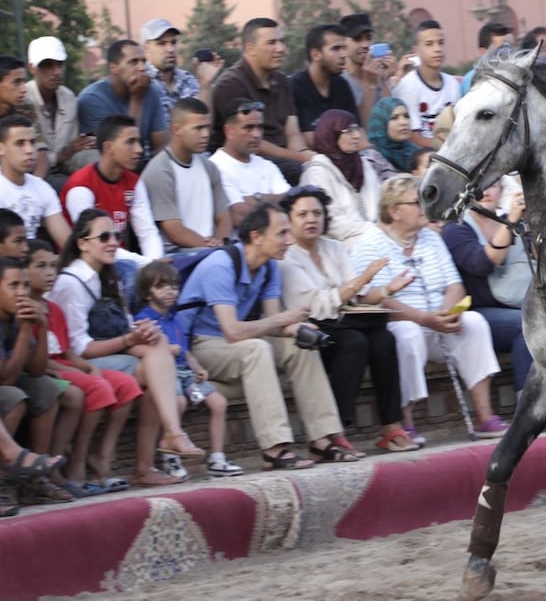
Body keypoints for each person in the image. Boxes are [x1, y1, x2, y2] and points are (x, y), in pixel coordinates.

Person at [175, 202, 357, 470]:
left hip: (235, 339)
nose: (288, 240)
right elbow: (234, 331)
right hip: (202, 345)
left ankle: (322, 438)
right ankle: (274, 448)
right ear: (257, 237)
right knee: (256, 349)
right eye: (282, 233)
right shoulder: (220, 266)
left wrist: (298, 328)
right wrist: (284, 319)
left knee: (300, 345)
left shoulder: (269, 266)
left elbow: (273, 324)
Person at [351, 175, 508, 441]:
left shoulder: (431, 239)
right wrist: (424, 318)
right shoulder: (369, 243)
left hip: (438, 320)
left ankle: (484, 417)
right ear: (394, 211)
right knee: (406, 335)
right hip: (404, 322)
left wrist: (448, 313)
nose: (425, 206)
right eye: (416, 202)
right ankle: (405, 422)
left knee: (474, 323)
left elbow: (455, 285)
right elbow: (375, 301)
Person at [49, 209, 199, 486]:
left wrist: (140, 332)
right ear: (82, 243)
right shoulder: (71, 282)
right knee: (156, 366)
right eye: (103, 236)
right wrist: (128, 341)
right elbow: (78, 348)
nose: (112, 242)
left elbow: (125, 324)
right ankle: (163, 443)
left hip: (112, 352)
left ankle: (165, 441)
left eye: (116, 236)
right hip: (80, 361)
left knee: (158, 343)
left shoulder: (110, 276)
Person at [278, 186, 417, 451]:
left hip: (344, 319)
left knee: (384, 339)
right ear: (289, 220)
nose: (311, 220)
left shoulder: (334, 247)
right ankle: (334, 431)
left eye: (317, 213)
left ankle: (391, 425)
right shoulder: (286, 257)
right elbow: (315, 305)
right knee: (354, 342)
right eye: (303, 214)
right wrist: (363, 278)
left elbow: (356, 297)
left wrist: (387, 289)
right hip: (311, 328)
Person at [441, 179, 546, 432]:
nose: (484, 191)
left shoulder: (513, 218)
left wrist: (535, 222)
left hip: (521, 303)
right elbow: (481, 265)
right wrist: (510, 223)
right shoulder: (455, 229)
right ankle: (530, 410)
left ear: (501, 190)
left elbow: (543, 259)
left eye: (492, 184)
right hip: (479, 313)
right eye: (477, 186)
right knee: (524, 326)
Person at [28, 239, 139, 495]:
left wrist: (88, 368)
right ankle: (69, 464)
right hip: (48, 367)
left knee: (126, 385)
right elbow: (38, 359)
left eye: (53, 266)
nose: (49, 273)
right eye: (41, 266)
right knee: (97, 388)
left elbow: (68, 351)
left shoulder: (53, 309)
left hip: (65, 363)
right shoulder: (26, 309)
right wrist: (80, 373)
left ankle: (100, 456)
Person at [133, 262, 243, 478]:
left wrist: (198, 367)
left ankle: (217, 458)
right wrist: (165, 350)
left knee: (219, 402)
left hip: (185, 372)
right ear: (147, 292)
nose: (169, 291)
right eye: (161, 286)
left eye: (173, 286)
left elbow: (186, 351)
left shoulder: (174, 319)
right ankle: (170, 457)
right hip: (167, 373)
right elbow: (140, 349)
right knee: (179, 402)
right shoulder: (143, 320)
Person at [0, 255, 77, 505]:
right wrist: (25, 330)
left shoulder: (15, 317)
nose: (22, 293)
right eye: (13, 286)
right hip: (5, 387)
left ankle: (35, 477)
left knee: (46, 388)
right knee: (14, 398)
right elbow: (7, 380)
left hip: (9, 382)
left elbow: (36, 369)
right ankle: (4, 479)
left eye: (24, 285)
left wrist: (40, 327)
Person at [210, 18, 312, 184]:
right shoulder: (231, 85)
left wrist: (308, 155)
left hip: (285, 158)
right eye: (271, 43)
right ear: (250, 48)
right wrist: (301, 158)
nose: (280, 49)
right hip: (247, 159)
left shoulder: (283, 81)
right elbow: (253, 141)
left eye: (282, 42)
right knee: (298, 170)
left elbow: (292, 132)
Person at [60, 114, 161, 261]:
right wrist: (146, 263)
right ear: (109, 147)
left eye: (138, 142)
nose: (139, 149)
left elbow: (147, 231)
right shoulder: (81, 186)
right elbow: (95, 244)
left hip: (121, 261)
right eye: (130, 142)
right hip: (85, 264)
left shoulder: (134, 182)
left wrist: (155, 261)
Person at [141, 98, 231, 254]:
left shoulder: (209, 167)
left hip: (210, 251)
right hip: (177, 256)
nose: (205, 134)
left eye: (207, 127)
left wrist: (220, 246)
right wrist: (213, 250)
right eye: (198, 128)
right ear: (176, 130)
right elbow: (174, 231)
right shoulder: (159, 171)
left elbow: (224, 218)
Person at [77, 40, 169, 162]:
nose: (142, 68)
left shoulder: (150, 90)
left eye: (143, 61)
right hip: (112, 167)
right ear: (113, 68)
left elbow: (162, 145)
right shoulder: (92, 98)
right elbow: (119, 152)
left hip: (144, 163)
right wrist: (137, 99)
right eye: (133, 62)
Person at [299, 109, 380, 243]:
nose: (356, 136)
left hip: (375, 235)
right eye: (348, 131)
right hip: (340, 243)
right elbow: (331, 221)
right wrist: (372, 232)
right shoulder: (317, 172)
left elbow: (380, 201)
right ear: (331, 134)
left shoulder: (363, 164)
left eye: (356, 129)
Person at [208, 99, 290, 228]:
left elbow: (291, 203)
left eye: (260, 127)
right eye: (248, 128)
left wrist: (256, 198)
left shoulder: (267, 165)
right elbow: (240, 217)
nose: (257, 134)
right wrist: (274, 200)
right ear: (229, 131)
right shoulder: (215, 167)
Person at [25, 37, 95, 181]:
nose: (56, 72)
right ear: (32, 68)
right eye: (47, 65)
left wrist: (83, 144)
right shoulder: (24, 98)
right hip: (32, 171)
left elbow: (72, 149)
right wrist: (61, 155)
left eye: (59, 65)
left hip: (66, 164)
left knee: (98, 162)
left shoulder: (69, 97)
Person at [0, 114, 70, 249]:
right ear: (1, 148)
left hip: (34, 261)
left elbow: (66, 241)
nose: (29, 150)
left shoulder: (41, 187)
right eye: (20, 143)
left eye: (32, 143)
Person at [391, 19, 461, 149]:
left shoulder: (453, 84)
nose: (437, 49)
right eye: (429, 44)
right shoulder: (408, 87)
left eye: (441, 43)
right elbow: (414, 137)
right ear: (416, 50)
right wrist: (446, 147)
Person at [140, 18, 223, 123]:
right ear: (145, 49)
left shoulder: (188, 80)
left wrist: (205, 85)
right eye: (161, 44)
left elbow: (205, 128)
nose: (170, 49)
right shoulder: (142, 83)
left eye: (173, 42)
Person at [292, 24, 359, 146]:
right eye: (336, 49)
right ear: (316, 54)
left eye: (344, 48)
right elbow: (311, 141)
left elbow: (357, 132)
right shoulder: (296, 87)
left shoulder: (342, 85)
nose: (344, 55)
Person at [340, 13, 399, 127]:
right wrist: (370, 85)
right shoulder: (340, 81)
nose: (365, 45)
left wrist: (384, 80)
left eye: (368, 38)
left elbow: (389, 120)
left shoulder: (375, 75)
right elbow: (363, 128)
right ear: (343, 43)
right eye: (357, 39)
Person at [363, 97, 417, 182]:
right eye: (394, 118)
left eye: (406, 116)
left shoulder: (416, 153)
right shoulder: (370, 160)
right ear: (381, 123)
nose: (403, 122)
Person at [462, 22, 515, 95]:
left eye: (510, 48)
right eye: (501, 50)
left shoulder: (518, 77)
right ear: (483, 51)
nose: (508, 54)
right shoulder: (471, 79)